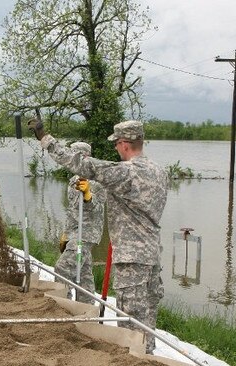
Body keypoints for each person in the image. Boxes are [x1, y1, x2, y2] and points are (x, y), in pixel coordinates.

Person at [28, 119, 168, 354]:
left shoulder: (127, 173)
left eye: (116, 144)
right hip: (152, 256)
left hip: (131, 259)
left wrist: (46, 139)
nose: (115, 149)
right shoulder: (160, 171)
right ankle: (148, 357)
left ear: (124, 144)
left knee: (129, 323)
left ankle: (133, 358)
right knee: (147, 320)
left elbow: (83, 165)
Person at [55, 141, 105, 305]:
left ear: (85, 157)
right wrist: (66, 234)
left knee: (63, 269)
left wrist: (88, 194)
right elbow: (73, 210)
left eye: (75, 157)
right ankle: (87, 308)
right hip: (74, 232)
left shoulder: (97, 180)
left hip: (87, 234)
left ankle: (62, 305)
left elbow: (97, 208)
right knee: (84, 275)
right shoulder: (73, 181)